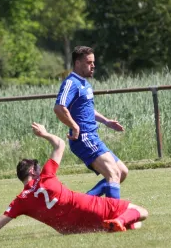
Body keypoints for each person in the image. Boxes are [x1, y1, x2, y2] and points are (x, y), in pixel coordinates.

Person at [0, 123, 148, 243]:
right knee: (141, 212)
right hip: (86, 207)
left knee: (135, 226)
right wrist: (45, 134)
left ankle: (117, 224)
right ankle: (117, 220)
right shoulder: (45, 176)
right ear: (33, 171)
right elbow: (60, 144)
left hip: (71, 229)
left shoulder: (20, 201)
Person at [54, 46, 128, 199]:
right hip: (83, 138)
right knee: (113, 173)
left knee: (121, 172)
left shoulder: (85, 84)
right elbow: (59, 108)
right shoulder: (71, 83)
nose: (93, 65)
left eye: (93, 62)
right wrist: (74, 126)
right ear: (77, 63)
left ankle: (84, 203)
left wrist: (106, 121)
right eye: (89, 62)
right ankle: (112, 218)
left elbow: (85, 110)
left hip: (92, 136)